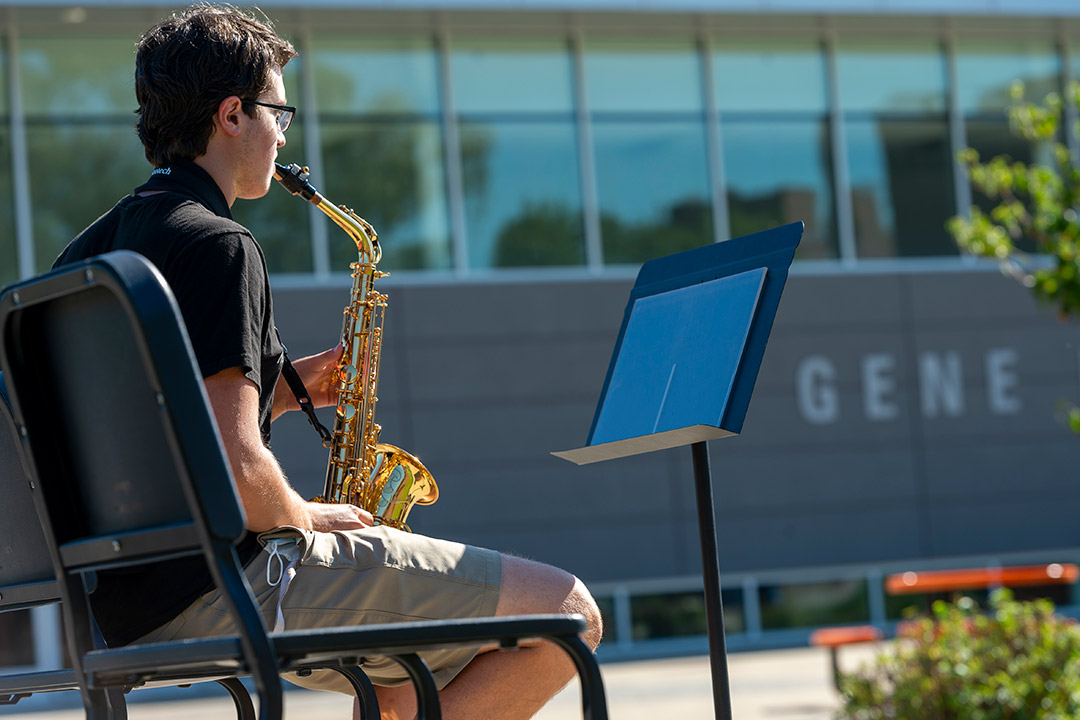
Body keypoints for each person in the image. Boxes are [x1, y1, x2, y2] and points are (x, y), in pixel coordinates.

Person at [52, 4, 602, 719]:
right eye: (277, 111)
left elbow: (150, 420)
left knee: (401, 689)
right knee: (567, 614)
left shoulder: (88, 257)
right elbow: (235, 467)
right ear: (231, 115)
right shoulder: (218, 245)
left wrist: (286, 388)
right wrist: (308, 515)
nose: (284, 133)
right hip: (231, 586)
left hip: (126, 605)